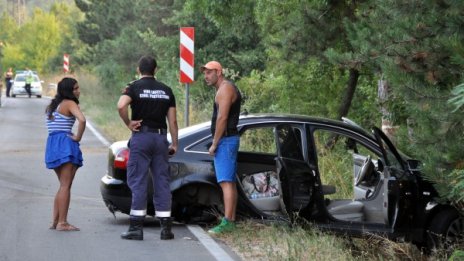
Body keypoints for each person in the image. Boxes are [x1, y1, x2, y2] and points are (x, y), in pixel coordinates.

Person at [118, 55, 178, 241]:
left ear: (138, 70)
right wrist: (174, 143)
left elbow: (121, 105)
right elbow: (173, 120)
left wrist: (129, 122)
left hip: (142, 137)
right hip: (160, 138)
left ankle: (136, 227)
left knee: (138, 180)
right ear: (156, 70)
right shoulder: (166, 90)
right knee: (162, 181)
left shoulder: (133, 87)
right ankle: (166, 229)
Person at [200, 61, 242, 234]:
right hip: (227, 140)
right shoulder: (223, 88)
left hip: (225, 141)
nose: (206, 77)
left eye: (209, 73)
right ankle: (230, 220)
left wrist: (215, 143)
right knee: (229, 182)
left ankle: (227, 222)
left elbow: (222, 118)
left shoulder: (225, 89)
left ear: (219, 72)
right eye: (205, 73)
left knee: (225, 182)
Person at [45, 77, 86, 231]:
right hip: (65, 143)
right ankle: (63, 222)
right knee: (65, 185)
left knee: (62, 185)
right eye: (75, 88)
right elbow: (82, 120)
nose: (78, 91)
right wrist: (78, 137)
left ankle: (55, 221)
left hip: (53, 144)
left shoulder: (53, 105)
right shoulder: (70, 103)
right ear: (68, 91)